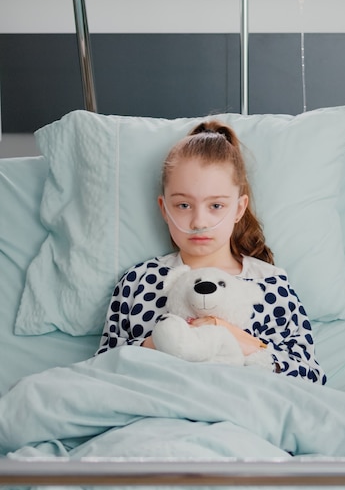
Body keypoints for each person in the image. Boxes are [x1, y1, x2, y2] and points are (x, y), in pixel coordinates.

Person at [96, 119, 326, 384]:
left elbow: (312, 378)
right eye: (183, 205)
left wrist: (240, 340)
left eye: (216, 206)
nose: (199, 222)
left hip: (244, 414)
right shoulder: (138, 283)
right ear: (163, 208)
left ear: (239, 209)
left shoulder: (270, 285)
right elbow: (101, 370)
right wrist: (163, 341)